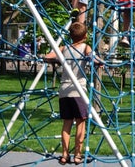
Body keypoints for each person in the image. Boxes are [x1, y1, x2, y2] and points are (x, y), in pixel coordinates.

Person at [43, 22, 97, 165]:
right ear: (85, 36)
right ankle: (77, 154)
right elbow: (91, 56)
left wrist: (56, 59)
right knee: (81, 122)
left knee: (67, 123)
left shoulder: (63, 48)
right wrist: (94, 60)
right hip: (78, 90)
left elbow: (47, 56)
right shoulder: (86, 47)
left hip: (64, 91)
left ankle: (64, 155)